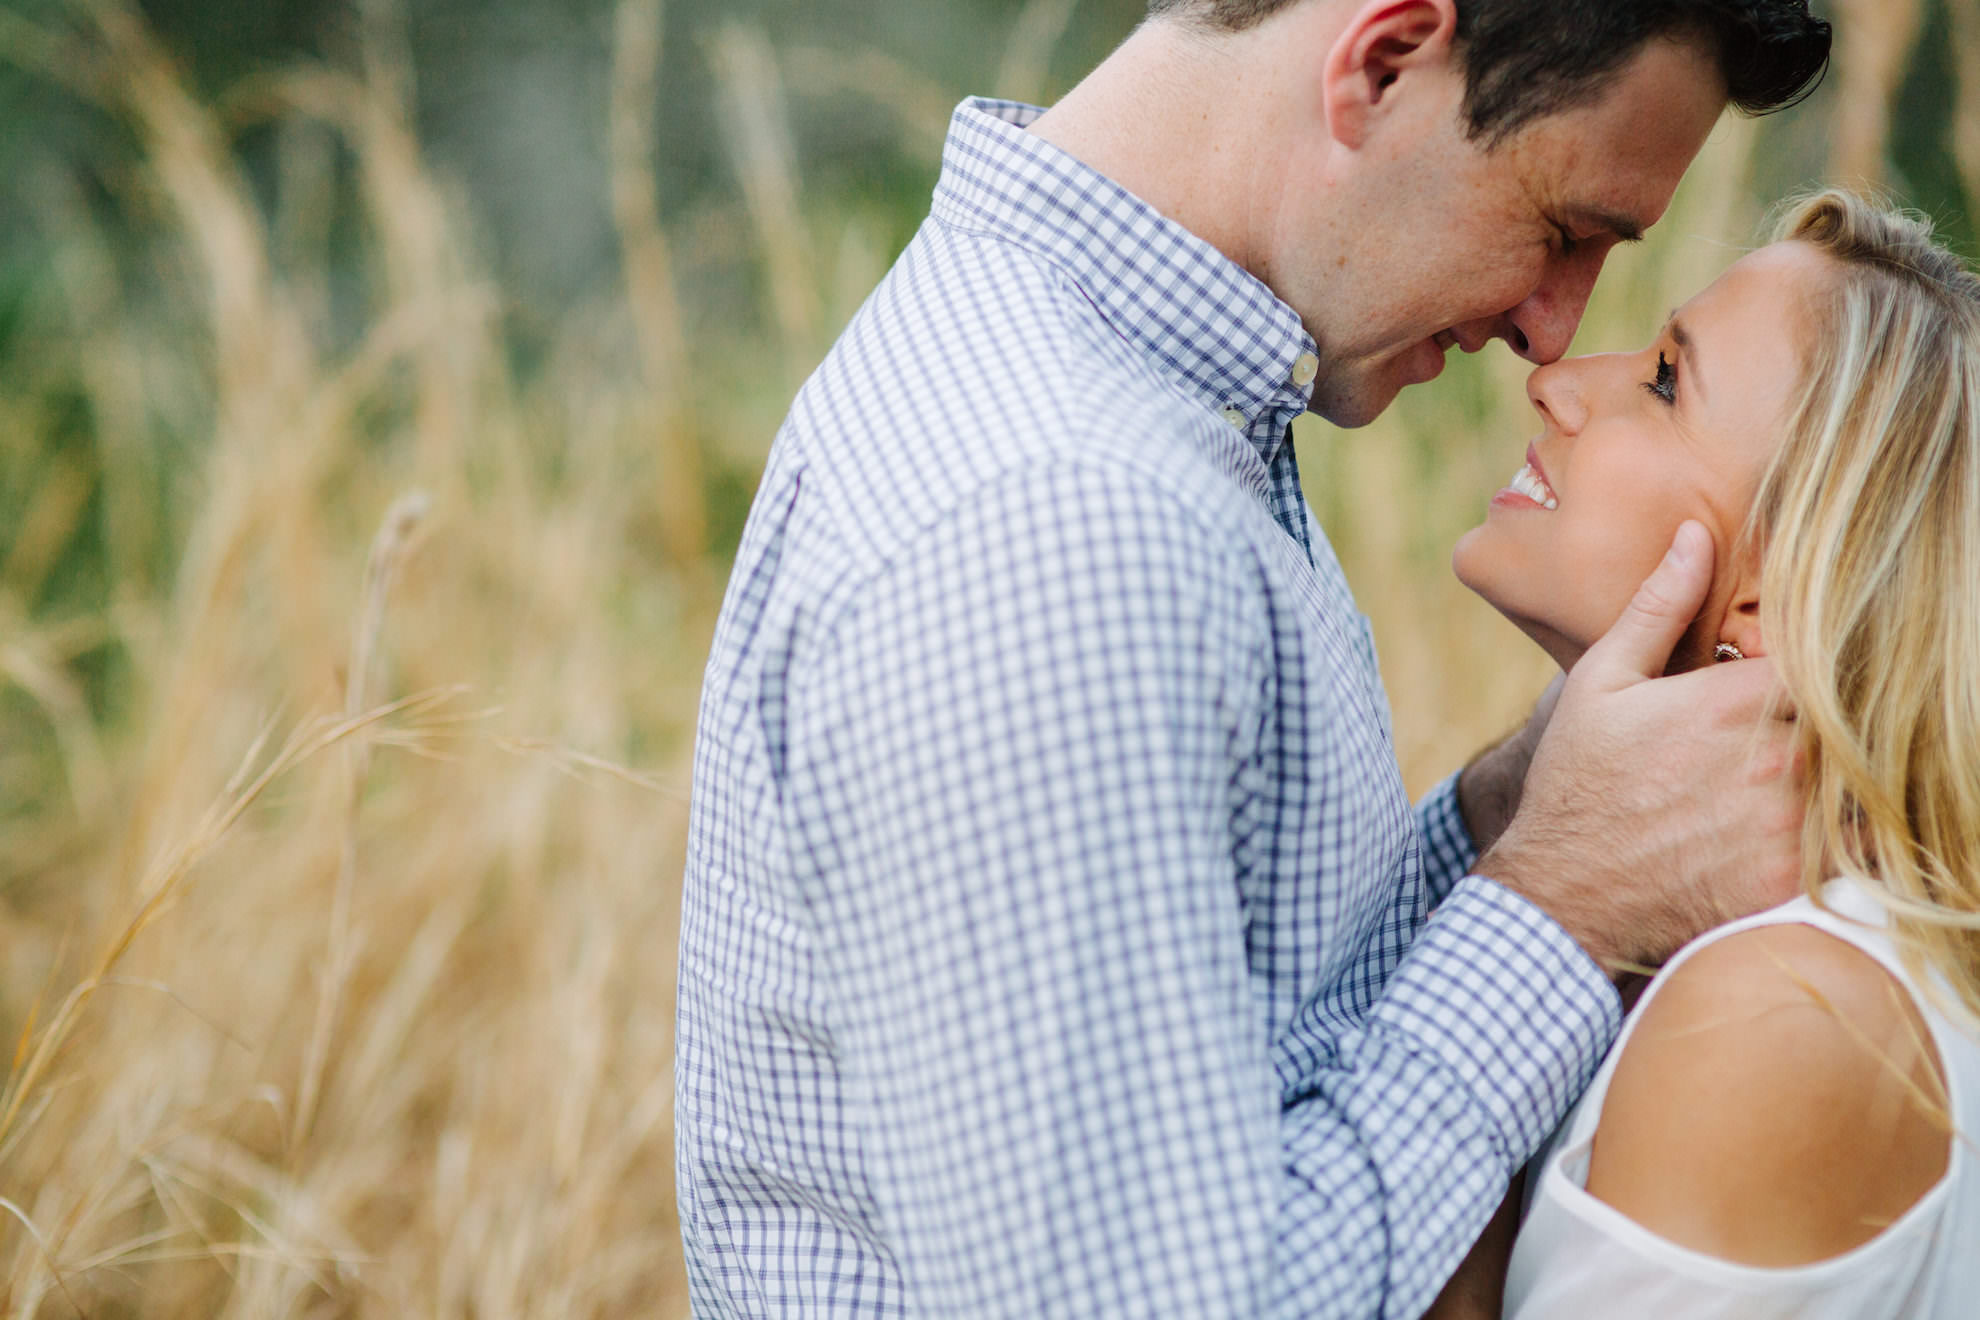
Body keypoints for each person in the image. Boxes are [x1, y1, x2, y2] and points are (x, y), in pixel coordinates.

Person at [676, 1, 1830, 1315]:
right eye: (1563, 233)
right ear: (1384, 59)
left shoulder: (1154, 410)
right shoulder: (1057, 523)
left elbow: (1247, 1029)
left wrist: (1519, 808)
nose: (1555, 333)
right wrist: (1561, 909)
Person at [1435, 190, 1980, 1317]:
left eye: (1666, 382)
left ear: (1783, 593)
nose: (1559, 380)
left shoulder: (1788, 1014)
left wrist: (1537, 901)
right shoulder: (1772, 954)